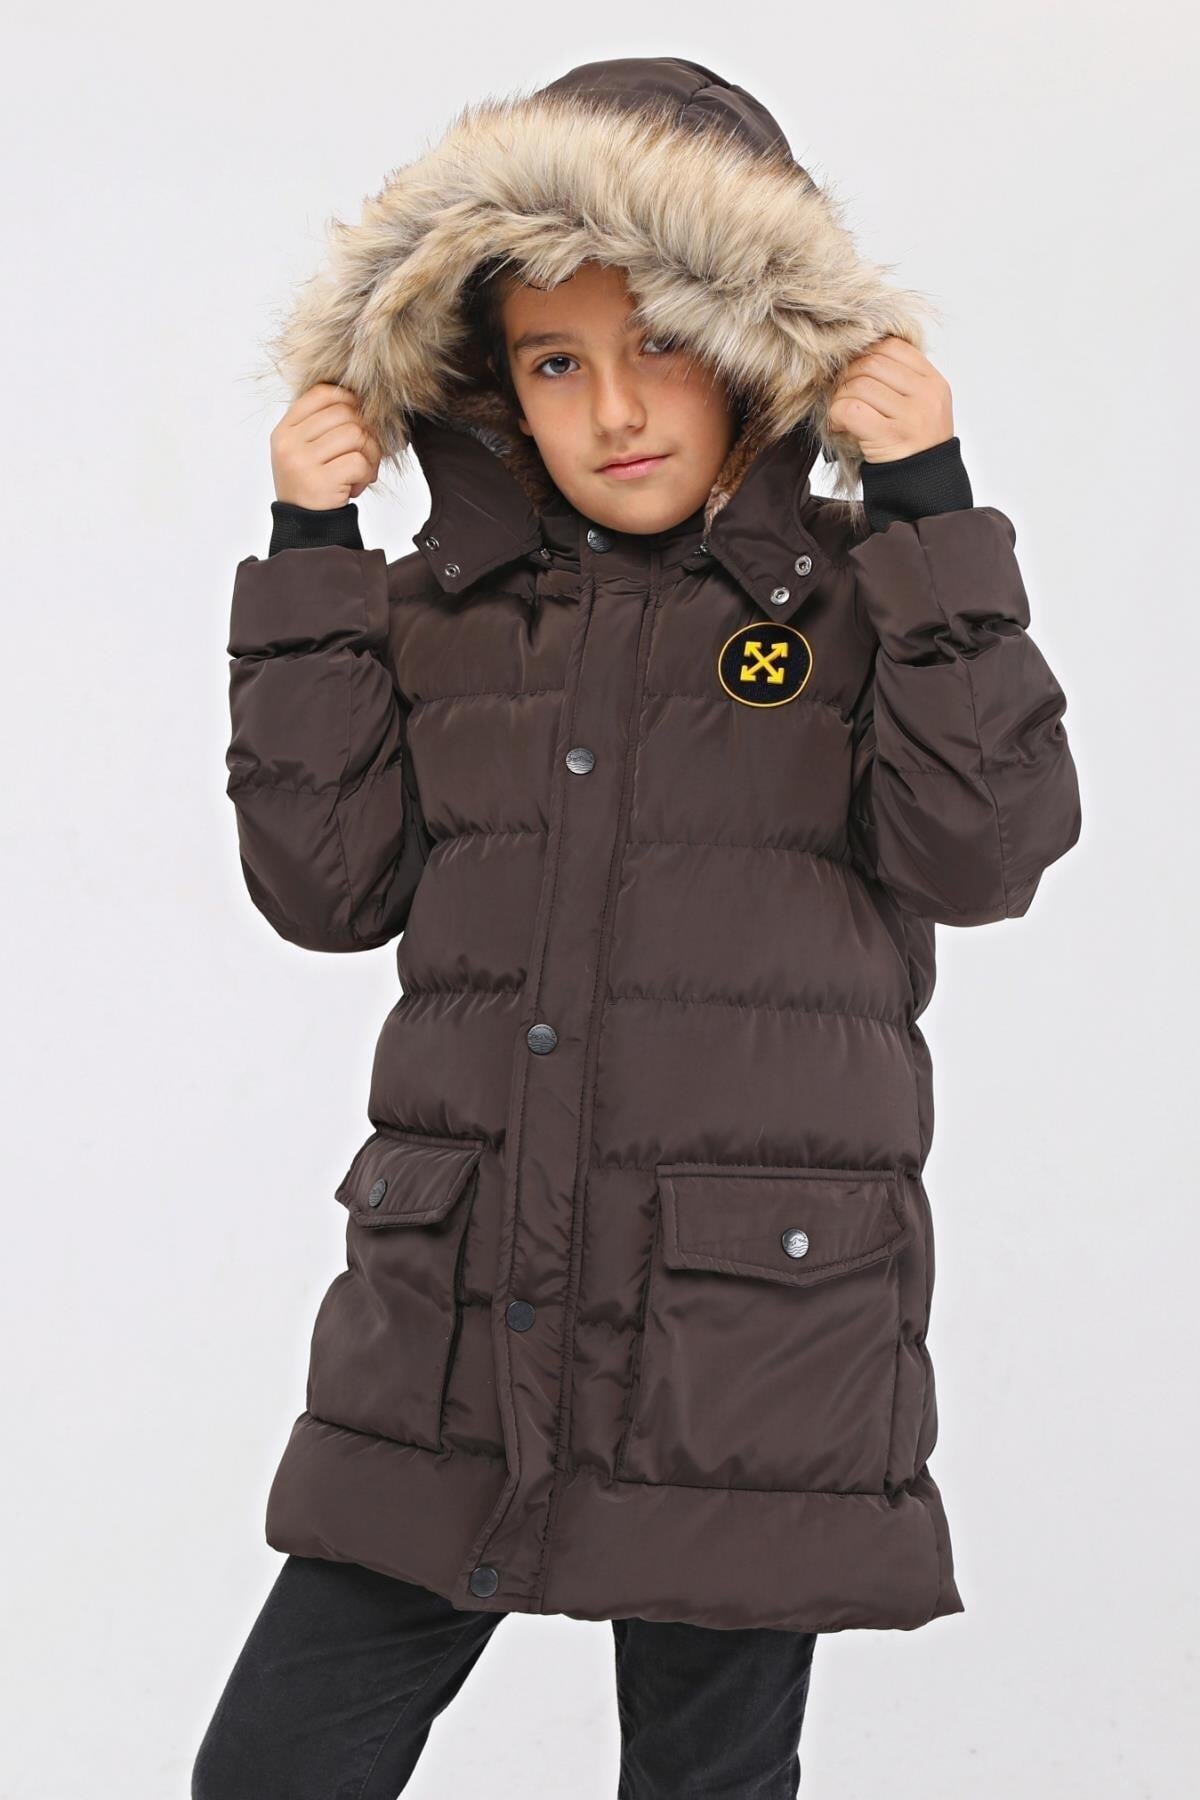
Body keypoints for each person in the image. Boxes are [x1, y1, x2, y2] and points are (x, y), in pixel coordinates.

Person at [194, 54, 1082, 1798]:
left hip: (743, 1334)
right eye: (554, 361)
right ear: (487, 385)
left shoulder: (864, 600)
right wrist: (309, 552)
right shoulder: (436, 614)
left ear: (756, 334)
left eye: (661, 341)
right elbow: (324, 888)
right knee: (277, 1766)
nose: (614, 408)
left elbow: (985, 851)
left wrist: (931, 507)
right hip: (455, 1320)